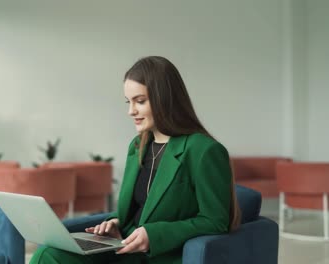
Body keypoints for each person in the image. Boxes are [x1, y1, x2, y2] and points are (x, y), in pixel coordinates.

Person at [30, 56, 241, 264]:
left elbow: (216, 221)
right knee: (47, 254)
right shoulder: (138, 145)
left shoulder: (204, 150)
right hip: (123, 248)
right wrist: (116, 223)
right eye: (128, 102)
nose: (131, 111)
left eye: (140, 101)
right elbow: (141, 208)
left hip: (160, 255)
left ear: (164, 99)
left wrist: (154, 234)